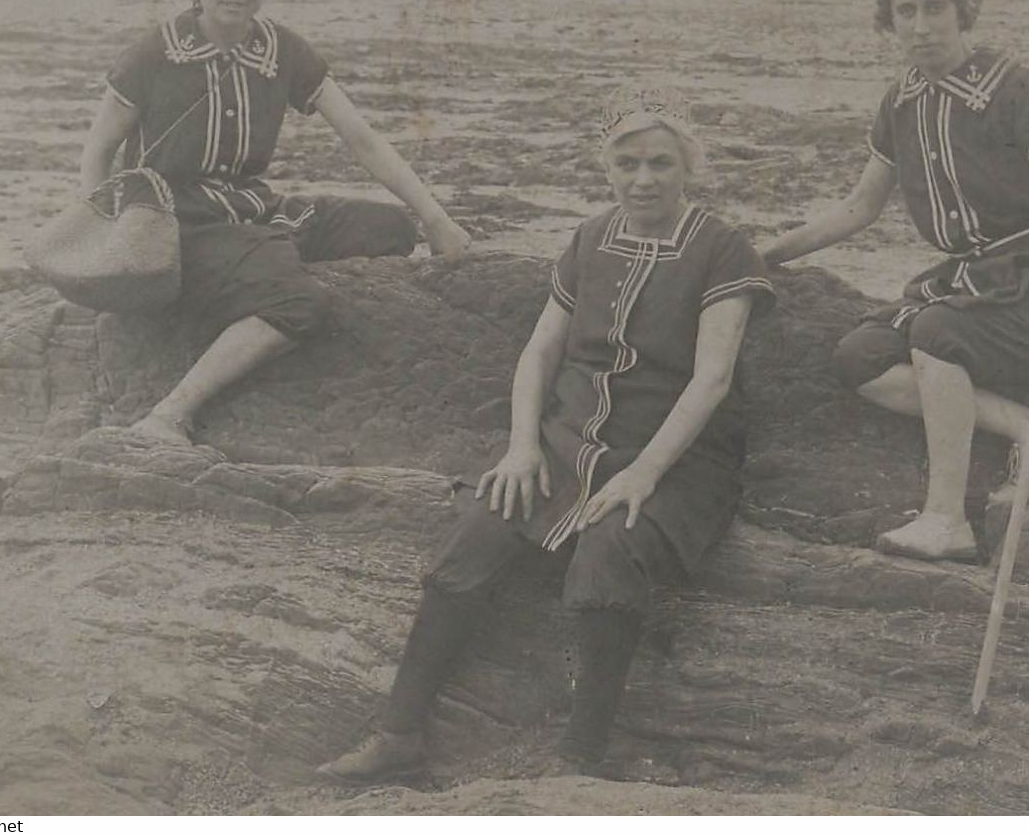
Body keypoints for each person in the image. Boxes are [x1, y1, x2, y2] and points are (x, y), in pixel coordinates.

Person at [318, 85, 775, 781]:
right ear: (608, 168)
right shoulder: (590, 237)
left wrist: (642, 475)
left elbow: (710, 380)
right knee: (475, 536)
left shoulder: (721, 249)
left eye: (659, 164)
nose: (643, 179)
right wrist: (523, 445)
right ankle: (400, 733)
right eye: (627, 165)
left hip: (676, 459)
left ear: (688, 167)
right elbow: (539, 352)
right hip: (568, 440)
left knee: (608, 557)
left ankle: (578, 760)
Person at [761, 0, 1029, 562]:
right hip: (975, 281)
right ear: (888, 21)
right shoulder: (900, 101)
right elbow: (859, 208)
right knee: (860, 357)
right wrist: (765, 253)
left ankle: (946, 519)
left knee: (937, 331)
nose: (922, 25)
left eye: (936, 8)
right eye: (906, 12)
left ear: (963, 12)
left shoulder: (1012, 86)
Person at [79, 0, 470, 444]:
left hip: (252, 210)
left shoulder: (281, 50)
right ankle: (169, 415)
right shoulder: (157, 51)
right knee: (298, 302)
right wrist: (102, 243)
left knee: (390, 230)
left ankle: (258, 268)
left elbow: (361, 138)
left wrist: (435, 219)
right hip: (179, 223)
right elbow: (98, 150)